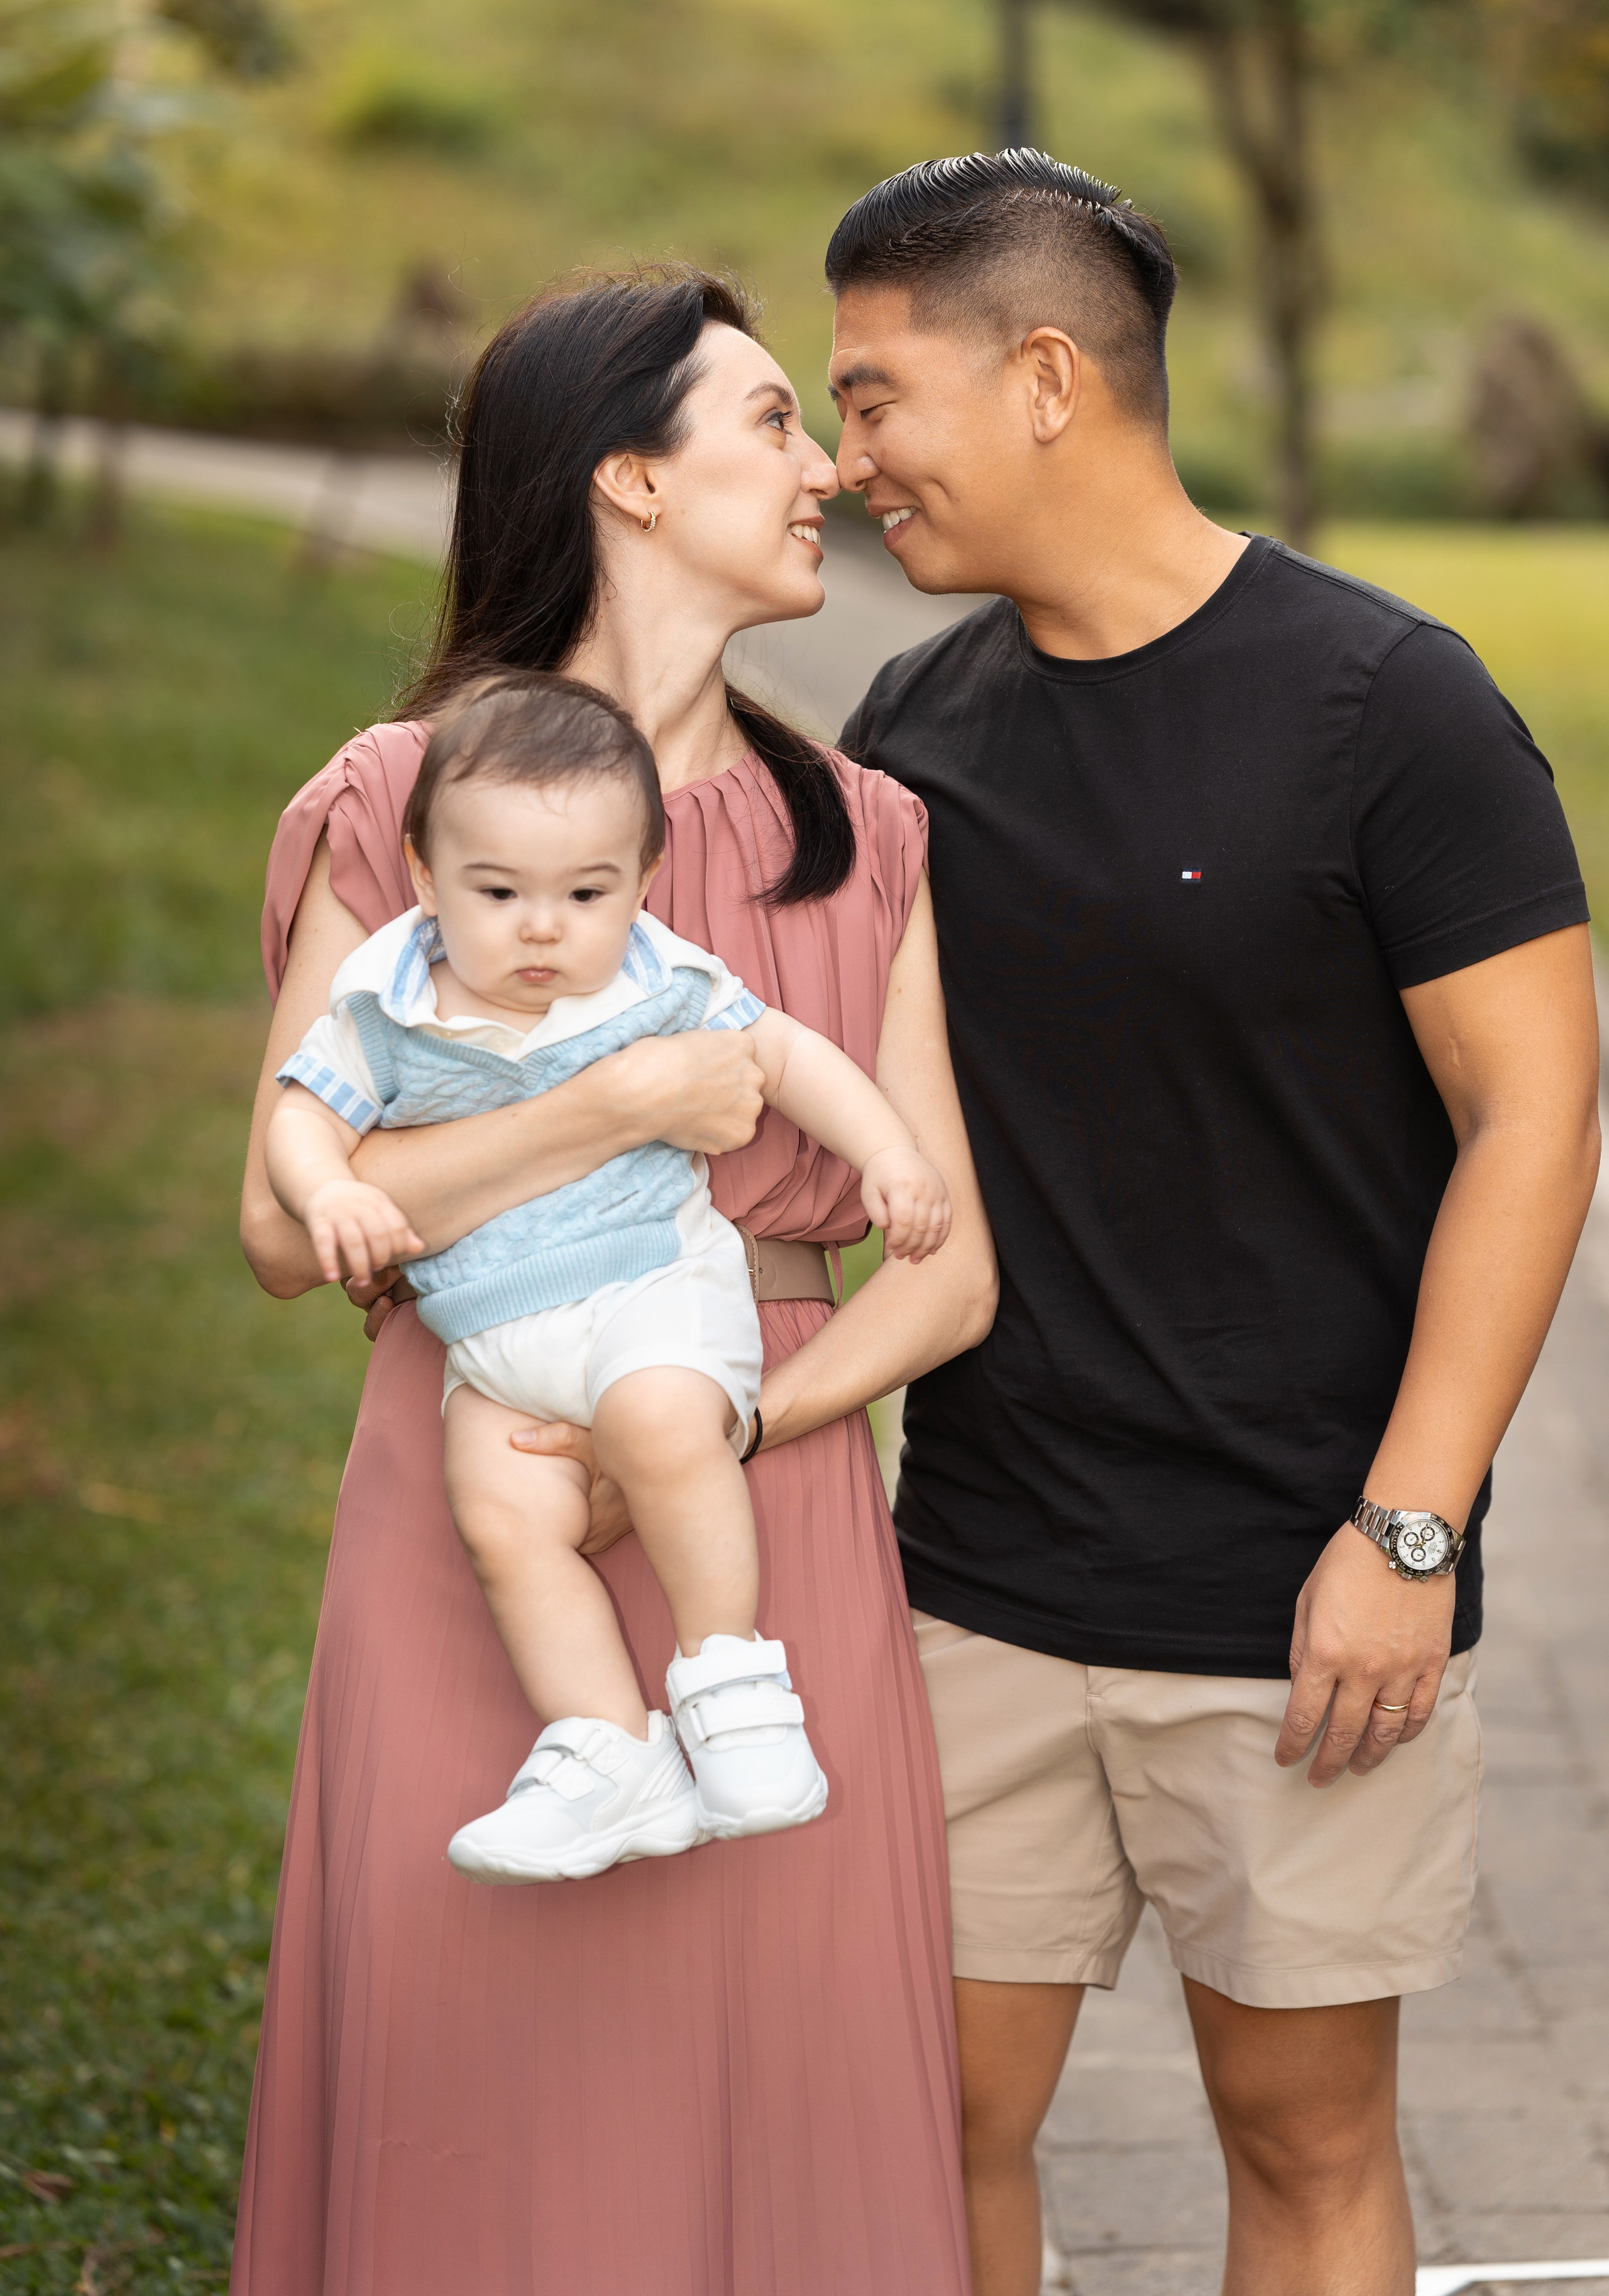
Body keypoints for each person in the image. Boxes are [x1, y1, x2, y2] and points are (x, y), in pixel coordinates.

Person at [829, 151, 1600, 2296]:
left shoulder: (1389, 703)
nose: (849, 455)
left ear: (1045, 378)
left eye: (878, 397)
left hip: (1301, 1595)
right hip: (980, 1576)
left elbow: (1537, 1118)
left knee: (1303, 2138)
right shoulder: (914, 729)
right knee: (931, 2122)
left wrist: (1410, 1533)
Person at [233, 269, 993, 2295]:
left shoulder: (868, 834)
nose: (828, 466)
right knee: (479, 2074)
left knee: (781, 2074)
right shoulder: (398, 803)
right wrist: (618, 1108)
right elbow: (283, 1223)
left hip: (768, 1489)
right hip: (477, 1478)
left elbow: (949, 1279)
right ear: (630, 479)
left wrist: (716, 1432)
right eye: (774, 421)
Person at [266, 668, 951, 1882]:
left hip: (649, 1290)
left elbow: (788, 1055)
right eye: (499, 893)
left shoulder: (653, 979)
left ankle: (732, 1684)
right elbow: (300, 1119)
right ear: (425, 876)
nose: (544, 927)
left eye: (587, 893)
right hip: (493, 1342)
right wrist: (328, 1190)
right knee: (502, 1520)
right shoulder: (388, 1002)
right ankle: (607, 1748)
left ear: (641, 883)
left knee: (656, 1421)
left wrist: (889, 1152)